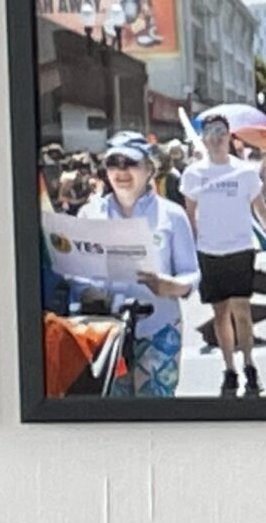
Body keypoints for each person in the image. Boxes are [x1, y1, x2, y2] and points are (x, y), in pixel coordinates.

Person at [77, 132, 198, 396]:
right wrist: (87, 290)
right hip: (104, 331)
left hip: (159, 328)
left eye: (129, 163)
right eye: (113, 163)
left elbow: (192, 275)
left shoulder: (172, 215)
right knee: (112, 418)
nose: (121, 171)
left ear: (149, 169)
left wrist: (171, 286)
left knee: (155, 414)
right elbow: (75, 272)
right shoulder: (89, 213)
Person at [181, 112, 266, 395]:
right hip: (209, 252)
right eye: (210, 130)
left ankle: (249, 363)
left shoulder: (244, 171)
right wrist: (190, 251)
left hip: (240, 249)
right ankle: (229, 368)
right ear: (203, 137)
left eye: (221, 130)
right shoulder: (193, 173)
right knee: (220, 315)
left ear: (229, 135)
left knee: (242, 312)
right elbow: (189, 216)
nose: (216, 135)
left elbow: (260, 208)